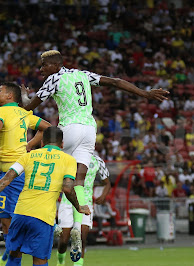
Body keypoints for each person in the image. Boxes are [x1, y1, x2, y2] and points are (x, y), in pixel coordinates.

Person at [21, 50, 169, 261]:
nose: (41, 70)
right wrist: (145, 94)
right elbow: (116, 82)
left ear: (54, 65)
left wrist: (25, 94)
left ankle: (46, 224)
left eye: (43, 66)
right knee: (78, 181)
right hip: (89, 130)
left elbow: (28, 107)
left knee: (53, 173)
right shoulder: (83, 75)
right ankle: (79, 224)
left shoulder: (54, 79)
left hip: (69, 128)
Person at [0, 126, 91, 266]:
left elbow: (6, 179)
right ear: (62, 144)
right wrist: (78, 207)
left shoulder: (28, 156)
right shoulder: (68, 160)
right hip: (43, 218)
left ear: (42, 143)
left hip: (20, 213)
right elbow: (67, 188)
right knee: (39, 261)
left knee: (14, 257)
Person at [0, 82, 51, 265]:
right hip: (24, 169)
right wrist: (30, 145)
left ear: (9, 96)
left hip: (13, 174)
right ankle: (13, 243)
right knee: (15, 221)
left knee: (8, 223)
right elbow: (47, 128)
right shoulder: (25, 114)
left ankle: (11, 248)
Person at [56, 154, 111, 266]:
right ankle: (60, 261)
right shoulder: (69, 155)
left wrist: (103, 195)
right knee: (63, 240)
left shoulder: (97, 160)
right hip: (68, 201)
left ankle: (78, 264)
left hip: (86, 202)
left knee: (82, 238)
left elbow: (107, 183)